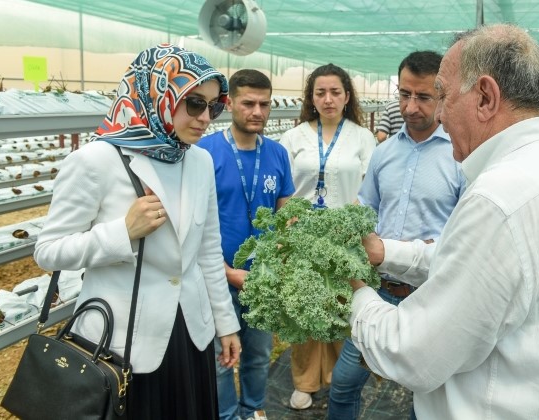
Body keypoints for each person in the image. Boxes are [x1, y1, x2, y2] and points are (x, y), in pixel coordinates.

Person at [349, 24, 539, 419]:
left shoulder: (500, 196)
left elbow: (415, 353)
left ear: (486, 97)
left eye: (442, 95)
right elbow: (476, 272)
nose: (438, 113)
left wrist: (355, 293)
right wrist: (385, 252)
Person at [33, 44, 241, 419]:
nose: (206, 117)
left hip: (190, 334)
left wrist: (226, 324)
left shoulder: (199, 160)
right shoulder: (97, 161)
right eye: (194, 103)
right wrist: (122, 233)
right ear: (157, 95)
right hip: (121, 343)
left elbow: (208, 251)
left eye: (214, 106)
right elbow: (48, 250)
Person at [327, 50, 465, 420]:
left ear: (443, 97)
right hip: (380, 290)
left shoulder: (460, 158)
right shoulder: (383, 153)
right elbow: (363, 210)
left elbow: (464, 236)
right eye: (404, 94)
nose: (410, 107)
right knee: (342, 384)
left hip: (431, 297)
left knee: (427, 397)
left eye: (423, 97)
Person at [198, 69, 295, 420]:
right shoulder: (204, 153)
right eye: (248, 103)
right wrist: (227, 272)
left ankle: (253, 410)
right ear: (229, 104)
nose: (258, 111)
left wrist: (280, 263)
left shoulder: (278, 154)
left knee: (257, 354)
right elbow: (193, 228)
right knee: (221, 358)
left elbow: (286, 217)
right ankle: (225, 415)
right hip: (216, 279)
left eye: (265, 104)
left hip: (262, 281)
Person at [279, 63, 376, 410]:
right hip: (301, 236)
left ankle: (338, 377)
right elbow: (283, 186)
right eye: (320, 92)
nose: (328, 98)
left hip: (344, 237)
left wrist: (352, 219)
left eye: (335, 92)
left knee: (340, 307)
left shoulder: (362, 137)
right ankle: (305, 381)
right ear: (311, 98)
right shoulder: (293, 137)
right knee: (303, 309)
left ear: (347, 96)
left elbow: (370, 187)